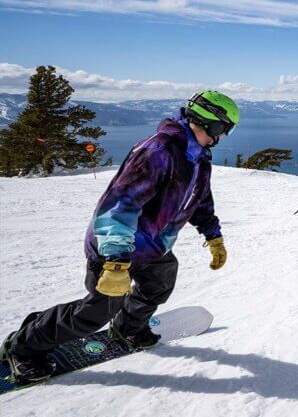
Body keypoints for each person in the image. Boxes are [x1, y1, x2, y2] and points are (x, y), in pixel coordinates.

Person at [0, 90, 238, 382]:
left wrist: (213, 236)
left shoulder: (198, 159)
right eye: (225, 129)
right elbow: (118, 206)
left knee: (160, 281)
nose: (224, 136)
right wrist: (115, 261)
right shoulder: (158, 152)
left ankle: (128, 328)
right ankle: (23, 346)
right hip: (115, 247)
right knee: (98, 309)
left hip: (153, 246)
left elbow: (199, 200)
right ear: (212, 124)